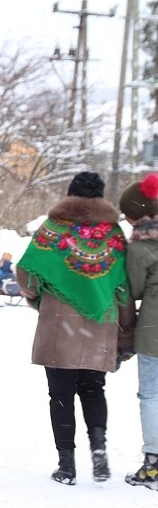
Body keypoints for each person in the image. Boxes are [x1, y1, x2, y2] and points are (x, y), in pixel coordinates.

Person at [16, 171, 135, 486]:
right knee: (94, 390)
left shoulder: (53, 230)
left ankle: (66, 465)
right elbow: (123, 287)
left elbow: (27, 273)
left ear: (70, 194)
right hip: (102, 324)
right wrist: (126, 329)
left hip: (59, 324)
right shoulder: (113, 235)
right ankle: (99, 453)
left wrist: (39, 297)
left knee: (60, 394)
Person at [118, 173, 158, 491]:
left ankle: (154, 464)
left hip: (154, 329)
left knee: (152, 395)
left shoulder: (143, 242)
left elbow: (134, 287)